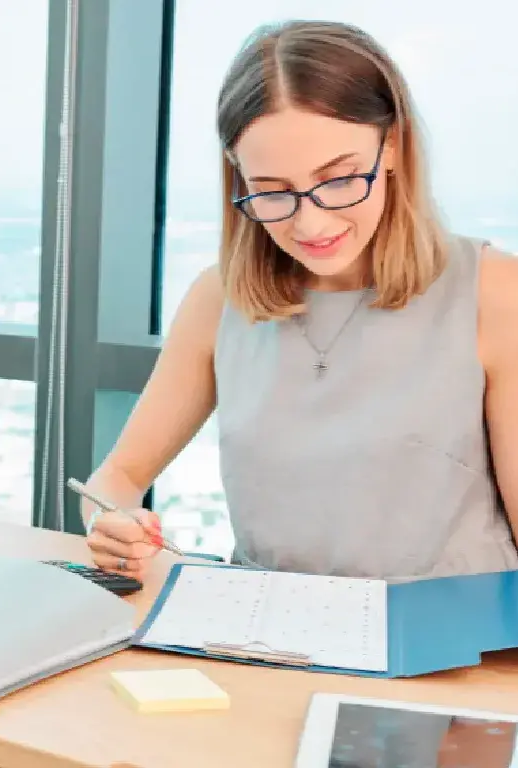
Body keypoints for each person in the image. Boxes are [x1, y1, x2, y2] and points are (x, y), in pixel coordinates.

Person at [81, 20, 518, 582]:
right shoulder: (218, 299)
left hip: (454, 630)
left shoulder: (494, 291)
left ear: (392, 146)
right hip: (266, 625)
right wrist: (111, 525)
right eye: (271, 191)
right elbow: (116, 478)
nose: (311, 224)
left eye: (338, 180)